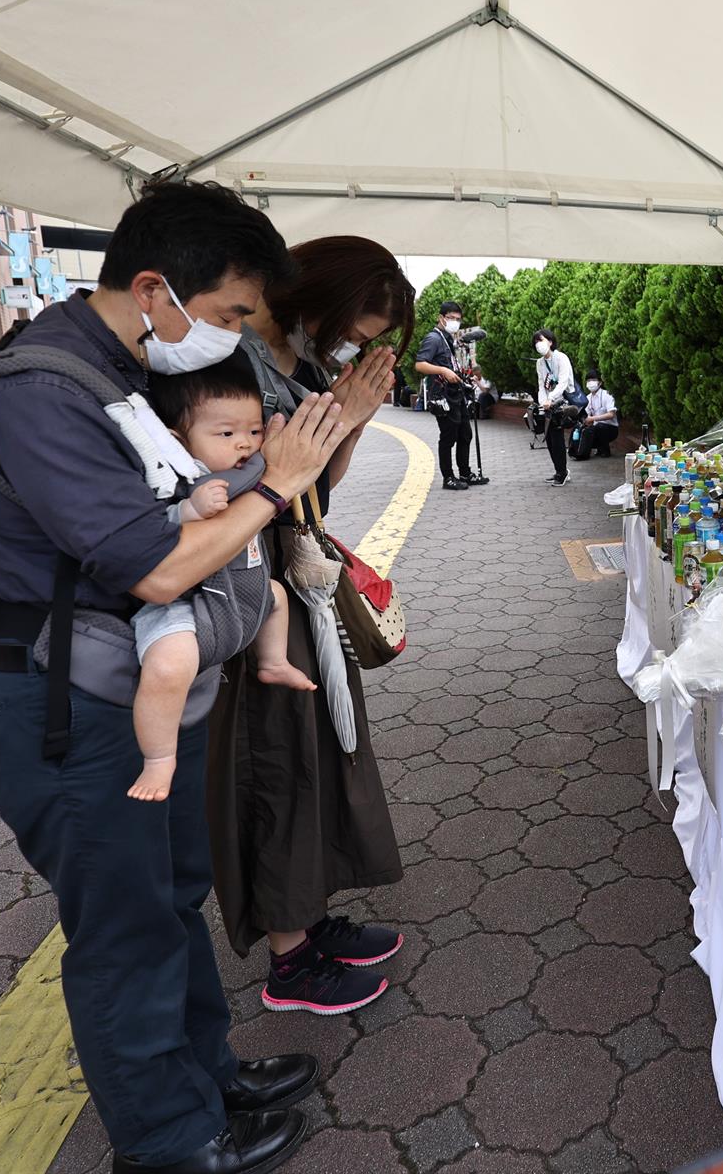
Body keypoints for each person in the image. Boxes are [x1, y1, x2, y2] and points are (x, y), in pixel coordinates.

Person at [0, 181, 344, 1174]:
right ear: (155, 287)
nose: (235, 340)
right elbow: (159, 564)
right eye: (227, 317)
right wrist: (280, 485)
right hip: (64, 704)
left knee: (172, 894)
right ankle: (168, 1141)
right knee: (125, 926)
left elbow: (199, 501)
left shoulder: (116, 369)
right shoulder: (41, 387)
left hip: (128, 688)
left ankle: (203, 1077)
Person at [210, 235, 413, 1017]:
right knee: (278, 758)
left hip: (302, 578)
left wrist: (354, 418)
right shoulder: (227, 362)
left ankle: (311, 919)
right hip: (254, 586)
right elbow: (233, 480)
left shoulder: (304, 363)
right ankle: (289, 962)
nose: (356, 344)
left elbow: (319, 483)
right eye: (358, 326)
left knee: (324, 748)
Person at [127, 365, 315, 804]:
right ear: (179, 442)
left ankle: (272, 661)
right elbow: (159, 528)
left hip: (241, 593)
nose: (245, 443)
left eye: (252, 430)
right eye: (226, 434)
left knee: (278, 597)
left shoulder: (252, 471)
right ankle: (158, 757)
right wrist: (191, 509)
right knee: (168, 666)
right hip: (186, 607)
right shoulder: (179, 482)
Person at [414, 300, 487, 490]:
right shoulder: (433, 338)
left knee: (465, 434)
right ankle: (448, 478)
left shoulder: (447, 339)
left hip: (456, 394)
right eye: (450, 318)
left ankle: (465, 473)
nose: (455, 322)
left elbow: (449, 365)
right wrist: (444, 371)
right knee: (448, 437)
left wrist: (463, 377)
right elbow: (420, 364)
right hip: (442, 396)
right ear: (441, 318)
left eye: (458, 319)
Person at [534, 328, 576, 486]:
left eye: (541, 340)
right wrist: (543, 401)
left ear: (550, 342)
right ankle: (559, 470)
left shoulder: (561, 358)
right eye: (536, 342)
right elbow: (541, 385)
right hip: (549, 405)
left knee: (557, 437)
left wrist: (550, 399)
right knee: (550, 439)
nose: (539, 344)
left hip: (562, 403)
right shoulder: (540, 363)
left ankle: (562, 472)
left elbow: (564, 382)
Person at [576, 371, 619, 459]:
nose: (590, 382)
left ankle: (605, 450)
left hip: (611, 428)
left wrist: (592, 418)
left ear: (600, 382)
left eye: (593, 380)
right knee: (583, 430)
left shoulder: (607, 395)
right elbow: (586, 415)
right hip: (596, 428)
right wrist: (585, 421)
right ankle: (582, 451)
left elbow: (611, 414)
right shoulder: (587, 398)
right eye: (588, 380)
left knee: (600, 427)